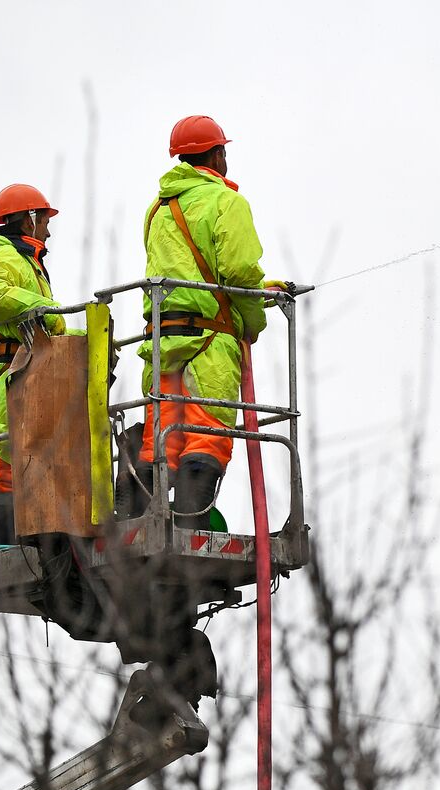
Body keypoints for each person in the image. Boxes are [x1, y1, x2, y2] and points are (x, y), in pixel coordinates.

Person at [122, 114, 274, 529]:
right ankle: (190, 528)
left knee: (161, 440)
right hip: (211, 339)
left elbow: (186, 268)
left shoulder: (159, 209)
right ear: (218, 153)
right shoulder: (227, 202)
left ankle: (135, 526)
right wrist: (252, 321)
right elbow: (241, 271)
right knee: (206, 435)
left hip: (162, 343)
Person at [0, 184, 69, 544]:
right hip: (12, 371)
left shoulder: (26, 259)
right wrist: (47, 311)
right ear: (27, 220)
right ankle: (0, 540)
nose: (48, 228)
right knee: (12, 457)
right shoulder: (4, 256)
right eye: (43, 218)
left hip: (29, 368)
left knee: (31, 457)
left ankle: (23, 537)